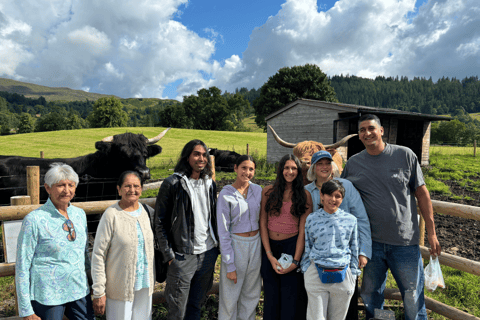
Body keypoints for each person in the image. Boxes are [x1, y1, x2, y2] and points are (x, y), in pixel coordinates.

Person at [341, 114, 442, 320]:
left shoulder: (404, 155)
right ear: (359, 135)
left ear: (381, 130)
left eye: (371, 128)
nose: (367, 133)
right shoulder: (353, 163)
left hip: (404, 242)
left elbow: (422, 195)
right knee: (371, 293)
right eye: (362, 130)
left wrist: (432, 233)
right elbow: (341, 196)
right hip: (370, 244)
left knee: (412, 294)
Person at [15, 163, 95, 320]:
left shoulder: (79, 215)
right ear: (47, 188)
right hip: (48, 294)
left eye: (70, 185)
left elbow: (84, 254)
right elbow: (22, 265)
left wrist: (93, 284)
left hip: (79, 289)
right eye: (60, 185)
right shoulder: (34, 220)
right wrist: (26, 310)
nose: (66, 190)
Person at [154, 140, 219, 320]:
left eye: (204, 155)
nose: (202, 158)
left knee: (196, 307)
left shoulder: (209, 184)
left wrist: (216, 249)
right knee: (177, 311)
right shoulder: (173, 183)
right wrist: (169, 255)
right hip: (182, 256)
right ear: (187, 157)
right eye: (197, 154)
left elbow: (212, 217)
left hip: (207, 253)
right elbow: (159, 221)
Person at [304, 150, 372, 319]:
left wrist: (362, 251)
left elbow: (361, 219)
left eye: (328, 163)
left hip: (343, 260)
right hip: (317, 261)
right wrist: (305, 266)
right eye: (319, 164)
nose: (324, 167)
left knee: (341, 312)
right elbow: (304, 230)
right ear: (313, 167)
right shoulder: (306, 190)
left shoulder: (346, 186)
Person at [91, 171, 155, 320]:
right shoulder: (111, 215)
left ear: (141, 188)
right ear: (119, 189)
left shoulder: (146, 212)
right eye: (127, 186)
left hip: (145, 284)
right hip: (120, 288)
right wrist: (99, 291)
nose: (132, 190)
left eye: (136, 186)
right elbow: (99, 254)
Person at [260, 154, 313, 320]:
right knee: (271, 296)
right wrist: (269, 255)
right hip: (270, 248)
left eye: (294, 168)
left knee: (290, 299)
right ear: (280, 169)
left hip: (292, 247)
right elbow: (262, 223)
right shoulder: (267, 192)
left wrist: (295, 261)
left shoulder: (305, 195)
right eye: (286, 168)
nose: (290, 172)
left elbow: (303, 230)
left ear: (299, 171)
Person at [301, 180, 359, 320]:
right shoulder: (312, 219)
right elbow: (307, 244)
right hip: (316, 272)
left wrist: (353, 274)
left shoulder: (351, 220)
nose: (333, 199)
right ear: (322, 195)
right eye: (330, 195)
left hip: (343, 273)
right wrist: (306, 268)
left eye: (338, 196)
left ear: (342, 198)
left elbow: (354, 247)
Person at [216, 155, 262, 320]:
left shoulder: (258, 190)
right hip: (237, 243)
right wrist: (229, 262)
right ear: (235, 168)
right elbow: (223, 230)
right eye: (244, 168)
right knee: (230, 295)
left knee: (251, 293)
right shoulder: (226, 194)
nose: (247, 172)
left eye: (251, 169)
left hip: (256, 243)